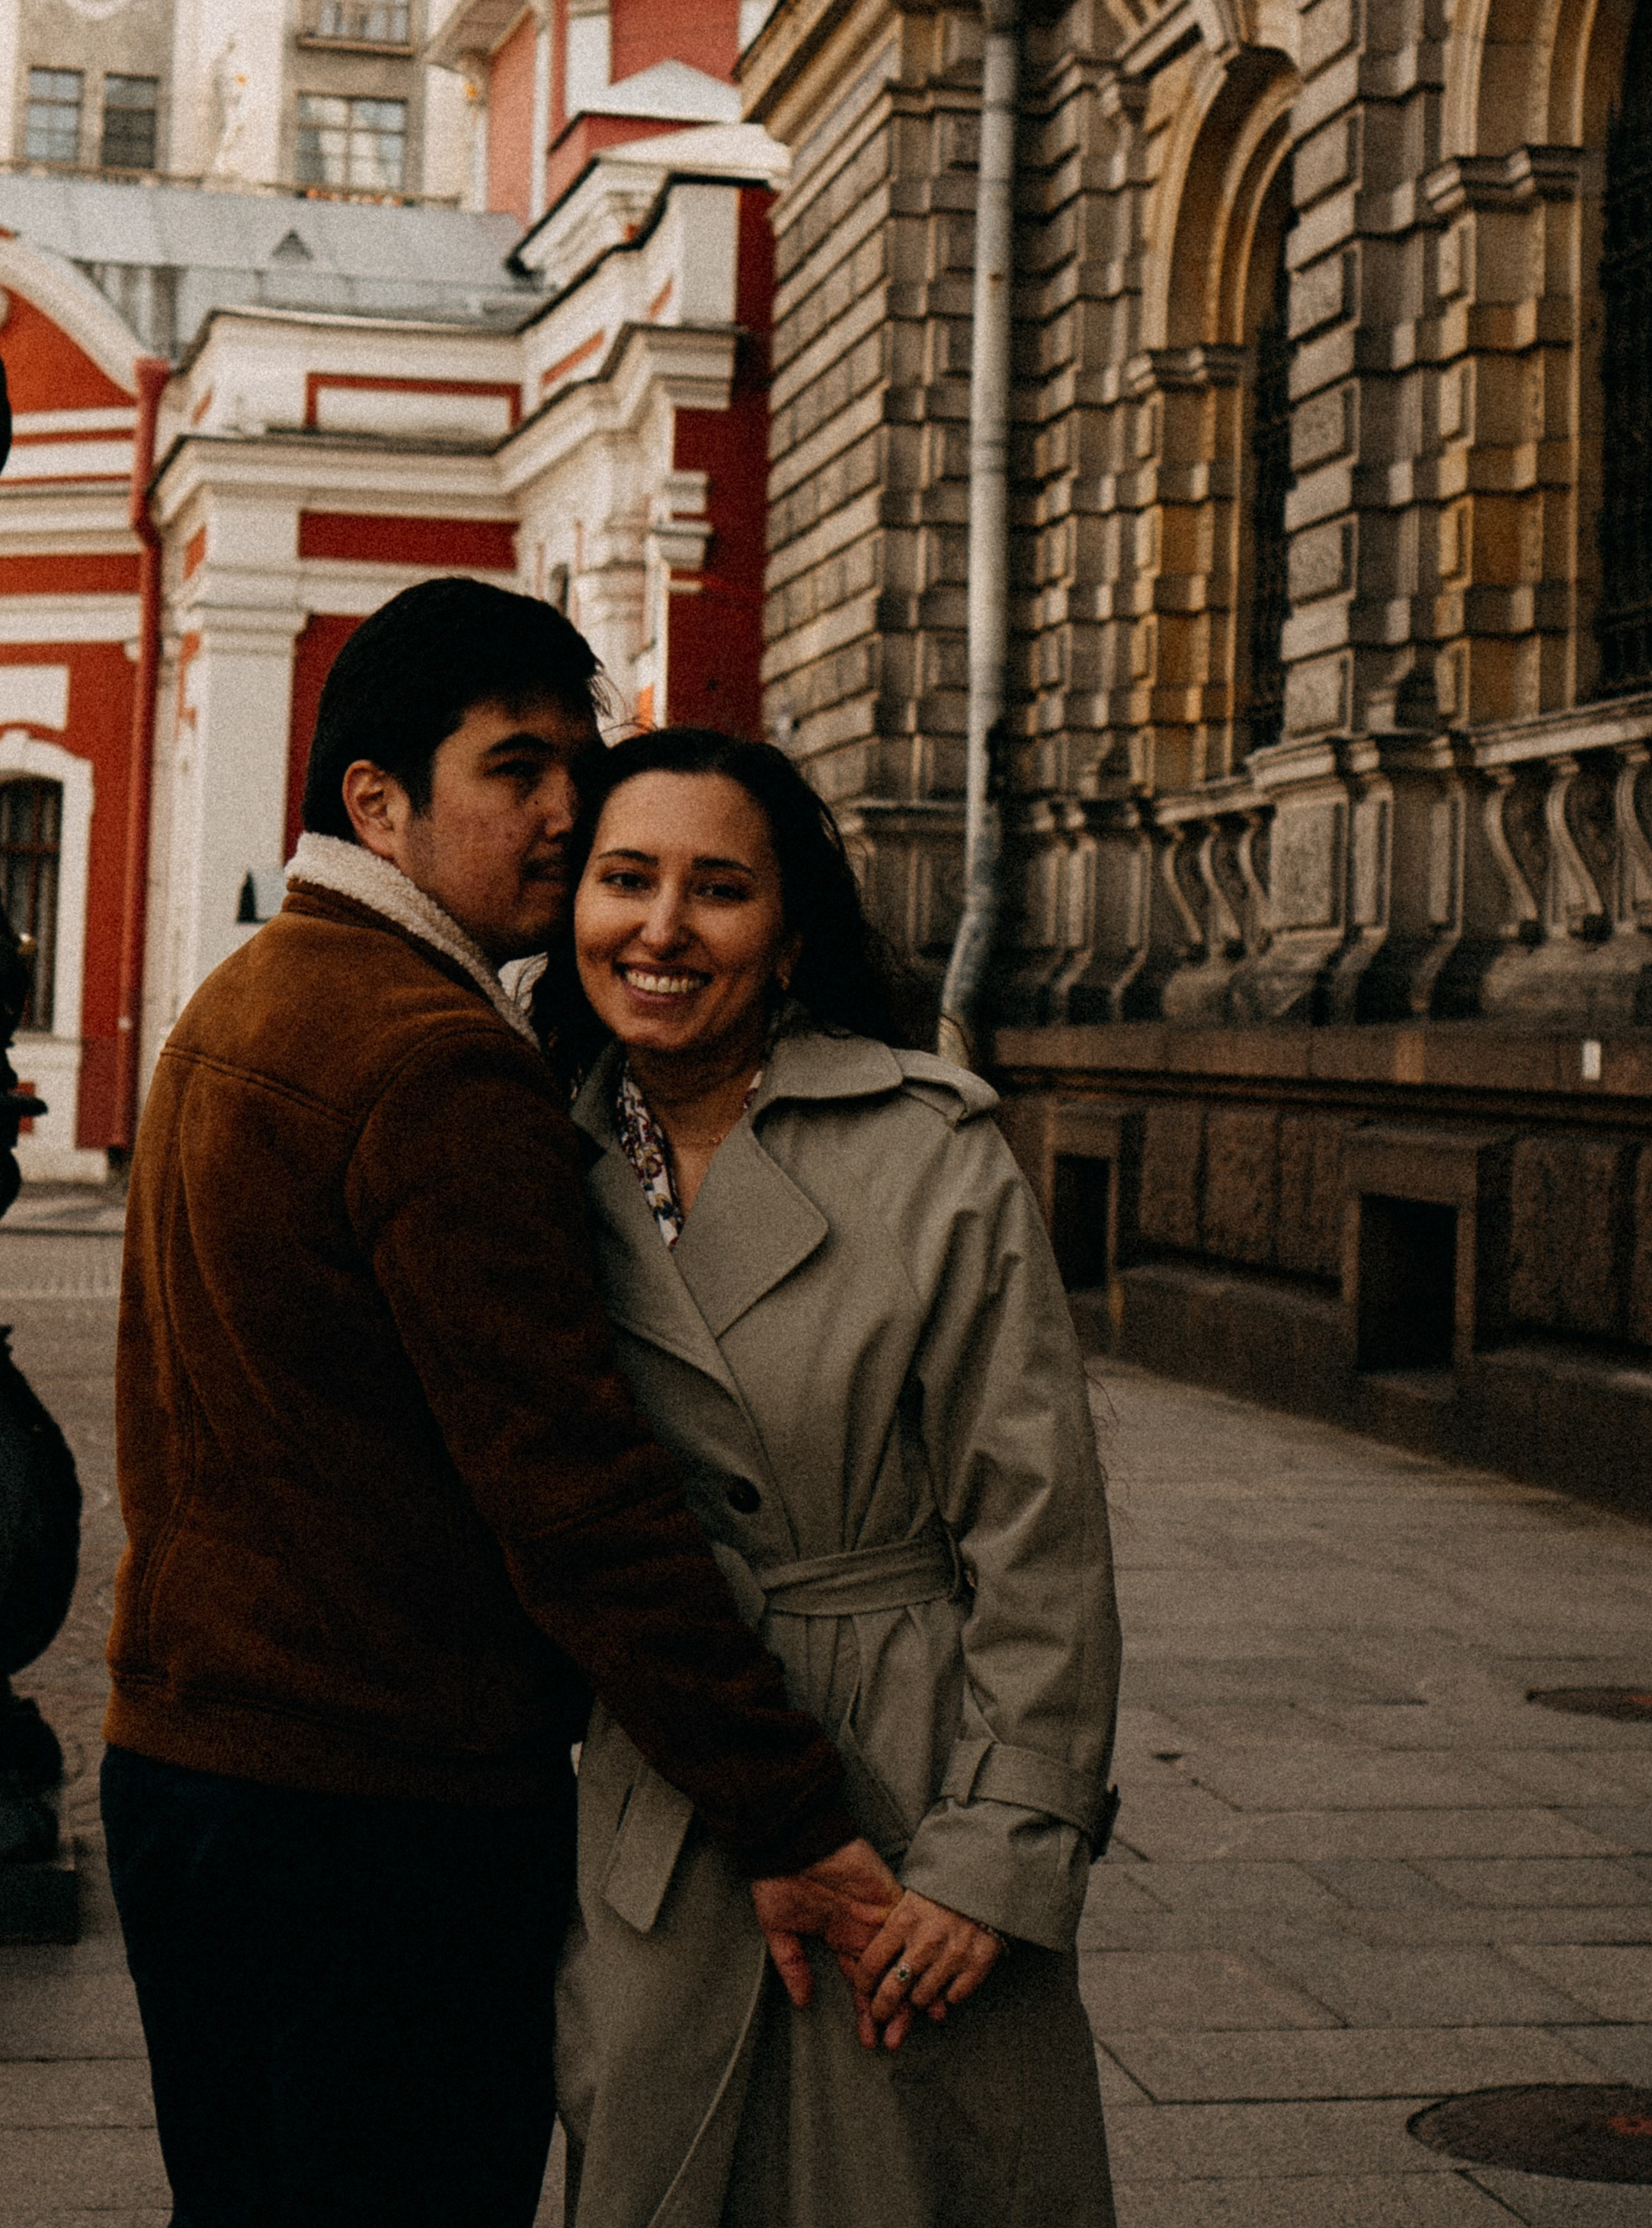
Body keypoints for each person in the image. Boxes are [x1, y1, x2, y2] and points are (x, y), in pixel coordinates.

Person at [100, 584, 897, 2228]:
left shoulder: (243, 1000)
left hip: (192, 1767)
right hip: (375, 1816)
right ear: (375, 801)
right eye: (515, 770)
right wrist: (786, 1805)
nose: (565, 813)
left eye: (575, 765)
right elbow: (574, 1493)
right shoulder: (432, 1063)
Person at [536, 728, 1122, 2228]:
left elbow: (1035, 1524)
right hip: (669, 1797)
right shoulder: (518, 1158)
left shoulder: (928, 1150)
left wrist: (1001, 1848)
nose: (661, 927)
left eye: (716, 888)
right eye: (624, 880)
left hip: (910, 1785)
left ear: (786, 934)